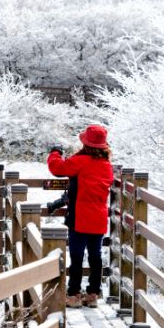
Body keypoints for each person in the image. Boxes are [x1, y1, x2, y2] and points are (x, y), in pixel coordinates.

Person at [47, 124, 114, 309]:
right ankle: (93, 294)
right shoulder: (107, 166)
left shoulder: (82, 161)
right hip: (99, 217)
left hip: (80, 216)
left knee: (76, 256)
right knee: (95, 256)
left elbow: (57, 168)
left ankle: (74, 294)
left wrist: (55, 152)